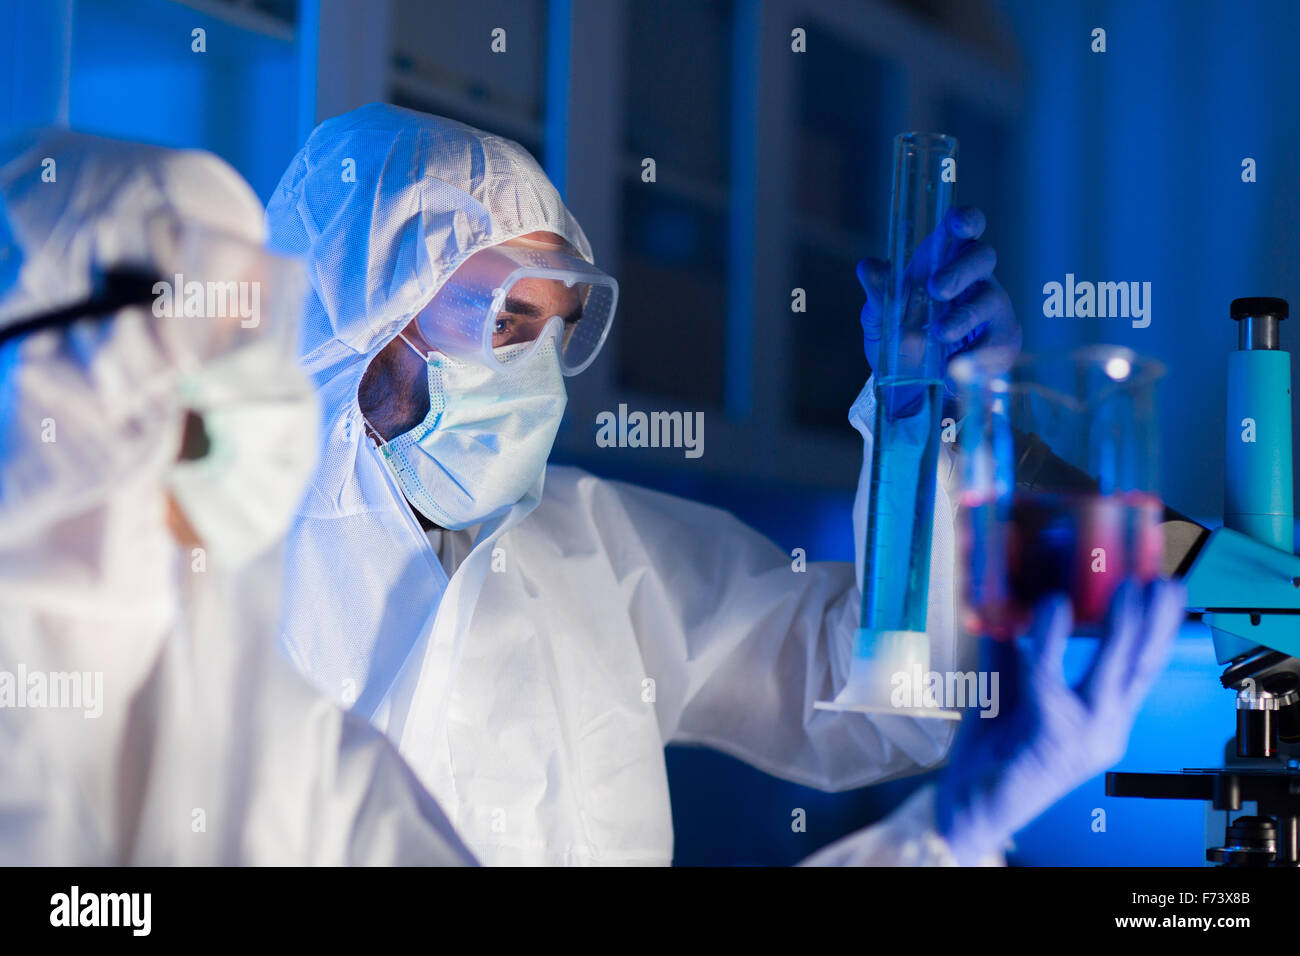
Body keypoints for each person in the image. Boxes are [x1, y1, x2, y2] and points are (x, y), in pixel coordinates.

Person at [268, 103, 1183, 866]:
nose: (539, 372)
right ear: (359, 314)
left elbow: (882, 696)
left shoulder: (593, 550)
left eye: (558, 329)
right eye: (508, 319)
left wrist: (917, 413)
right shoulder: (207, 589)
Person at [0, 129, 474, 865]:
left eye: (249, 333)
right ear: (39, 362)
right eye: (203, 332)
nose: (253, 392)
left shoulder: (292, 750)